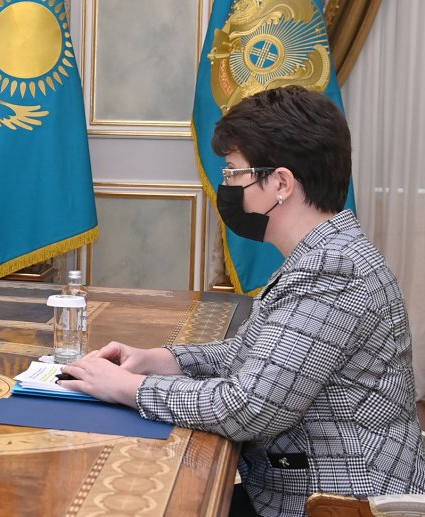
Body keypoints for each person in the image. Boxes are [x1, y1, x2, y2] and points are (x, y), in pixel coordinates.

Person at [60, 86, 425, 516]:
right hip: (305, 486)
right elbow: (255, 353)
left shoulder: (332, 270)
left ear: (281, 183)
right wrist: (160, 359)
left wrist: (127, 388)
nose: (227, 186)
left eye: (234, 172)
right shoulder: (326, 251)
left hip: (335, 502)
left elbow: (247, 407)